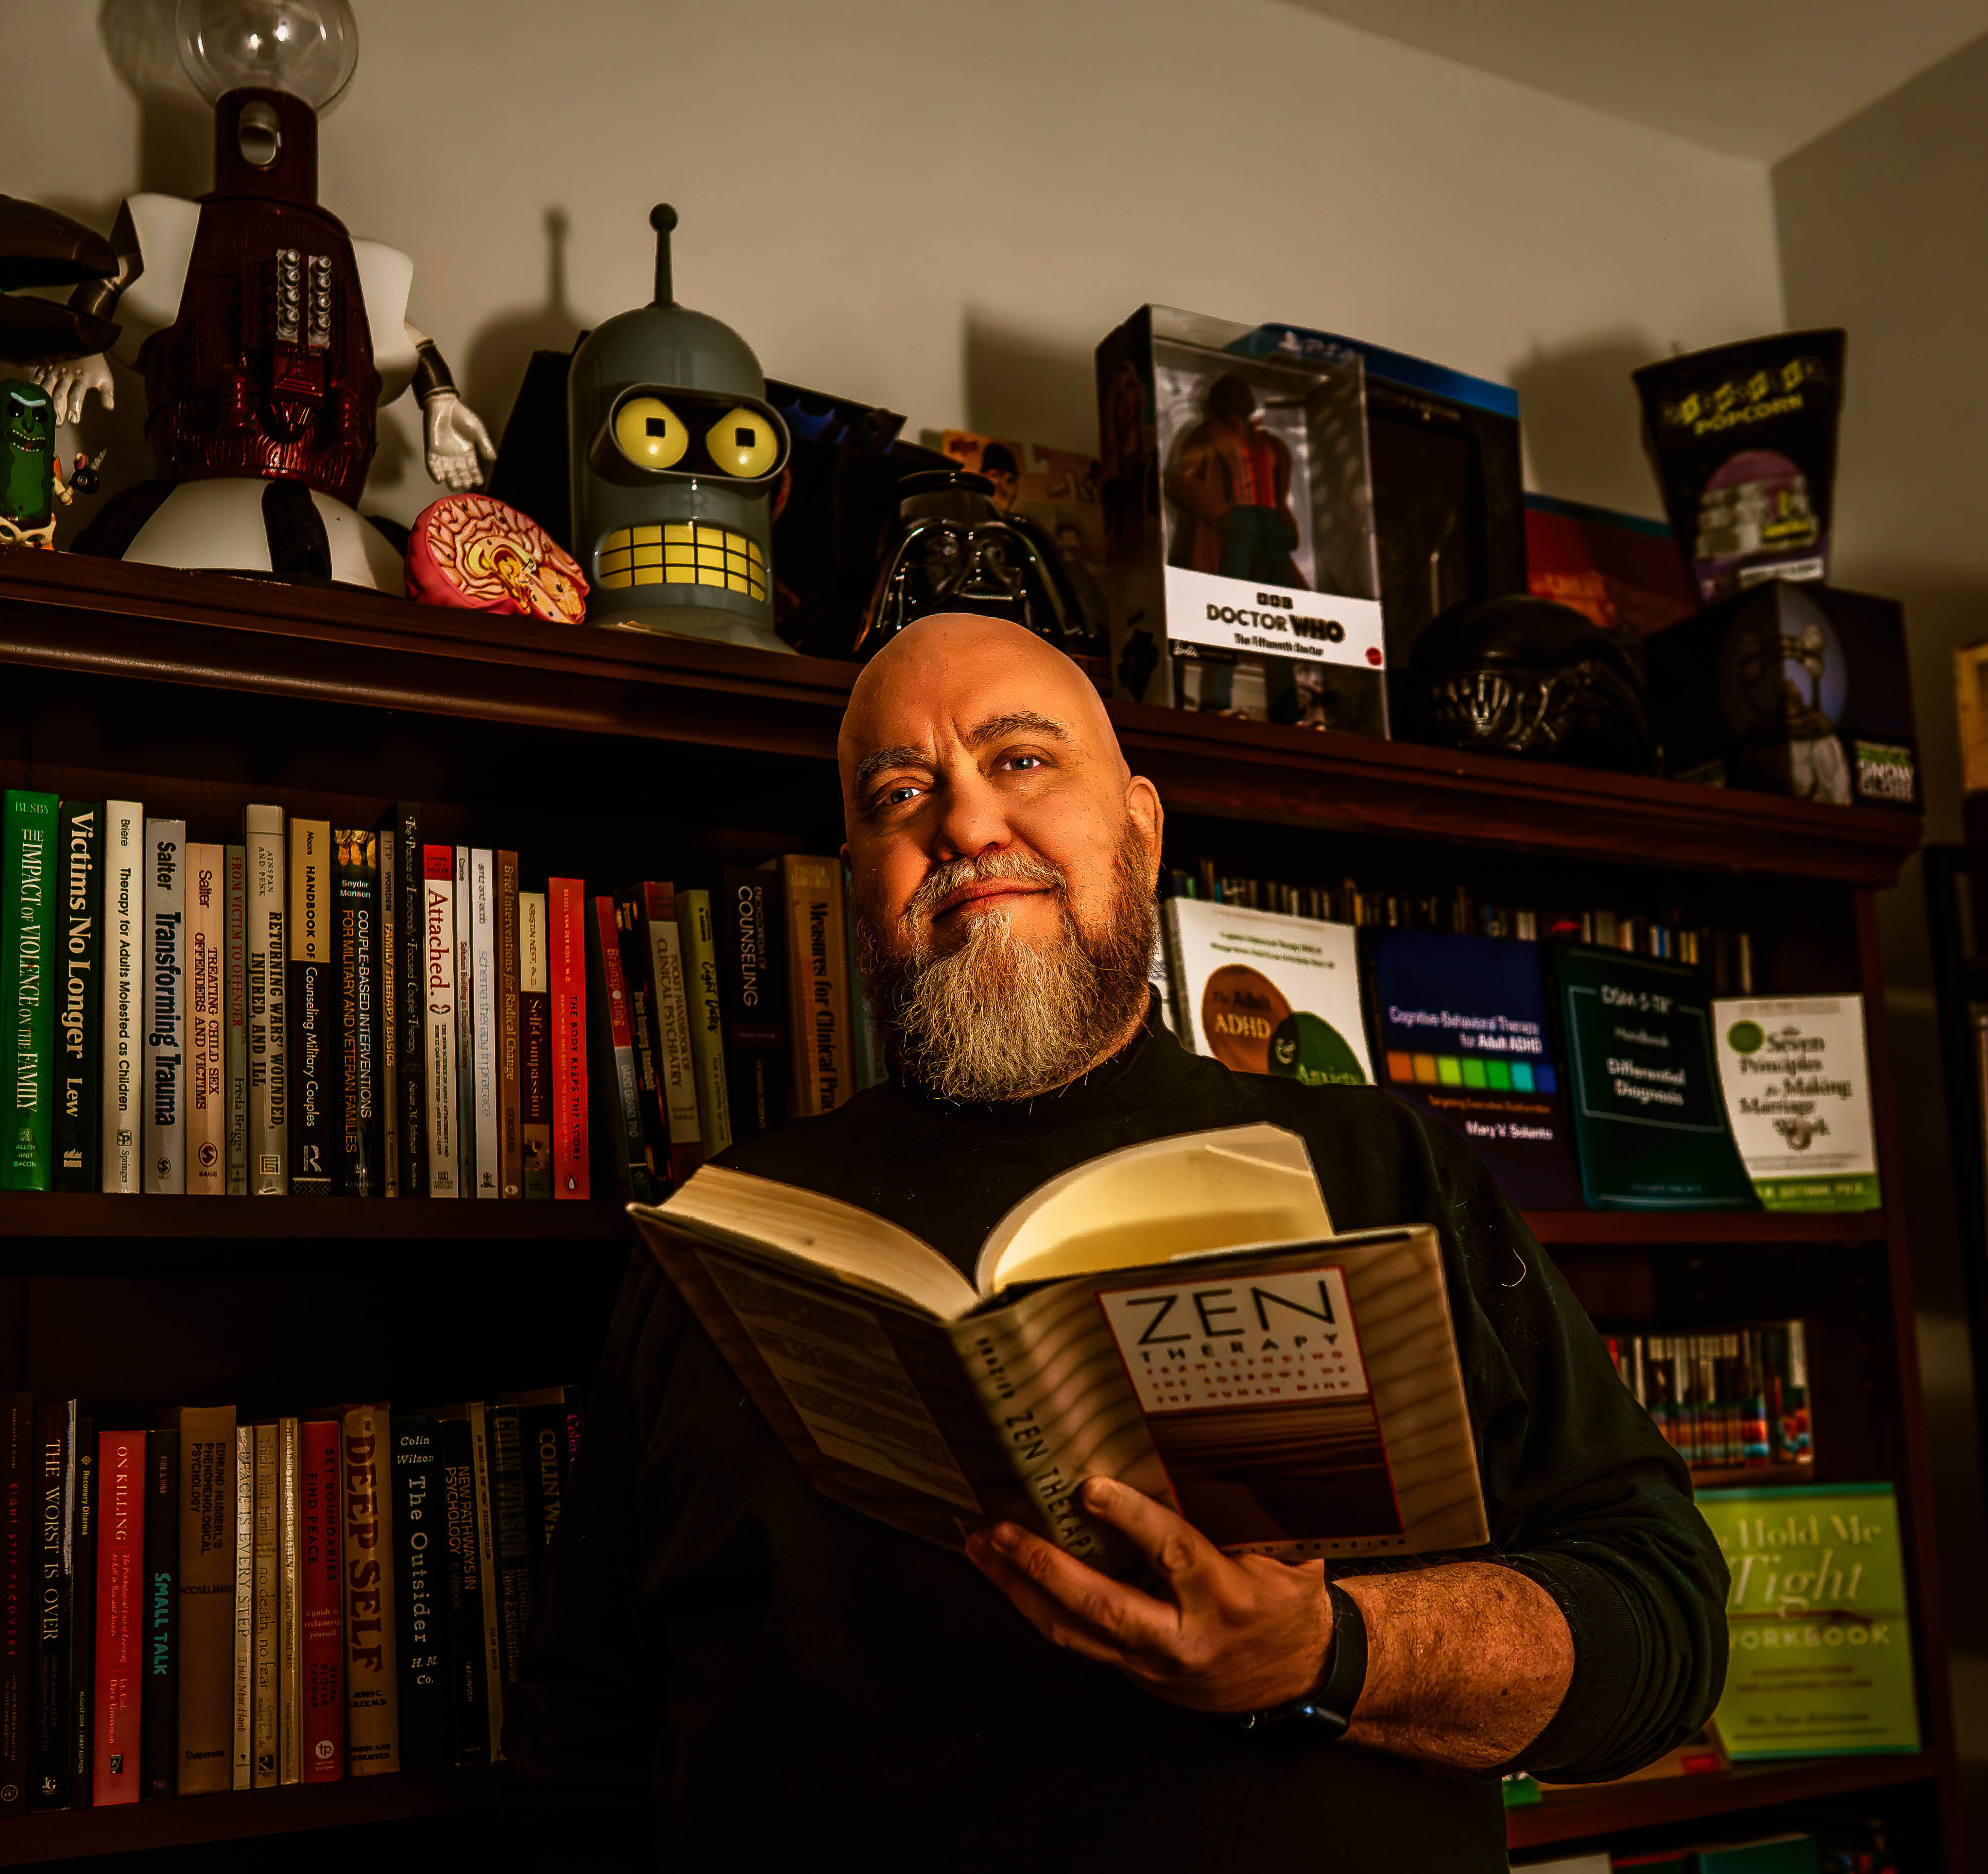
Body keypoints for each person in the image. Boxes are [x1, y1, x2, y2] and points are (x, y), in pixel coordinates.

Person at [509, 613, 1727, 1870]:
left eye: (1022, 760)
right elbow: (582, 1739)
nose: (968, 827)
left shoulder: (1382, 1162)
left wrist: (1330, 1651)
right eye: (899, 791)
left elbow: (1664, 1626)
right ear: (855, 869)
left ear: (1140, 825)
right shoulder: (719, 1236)